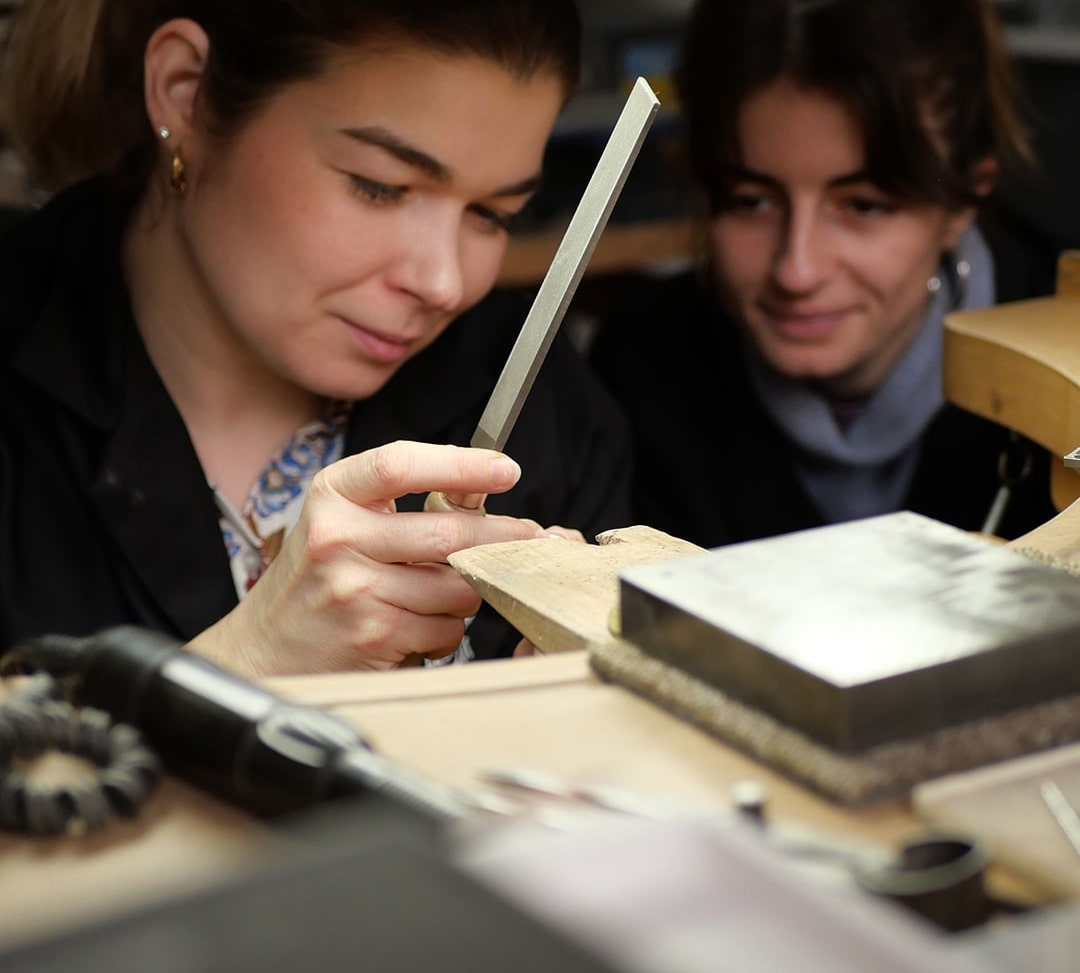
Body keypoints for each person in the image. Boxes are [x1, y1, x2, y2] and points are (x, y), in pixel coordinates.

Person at [0, 0, 632, 675]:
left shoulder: (538, 403)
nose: (444, 282)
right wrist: (249, 655)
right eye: (380, 187)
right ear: (186, 92)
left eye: (493, 214)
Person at [588, 0, 1056, 550]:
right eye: (751, 201)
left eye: (864, 205)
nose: (797, 270)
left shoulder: (1064, 369)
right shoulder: (638, 372)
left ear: (964, 198)